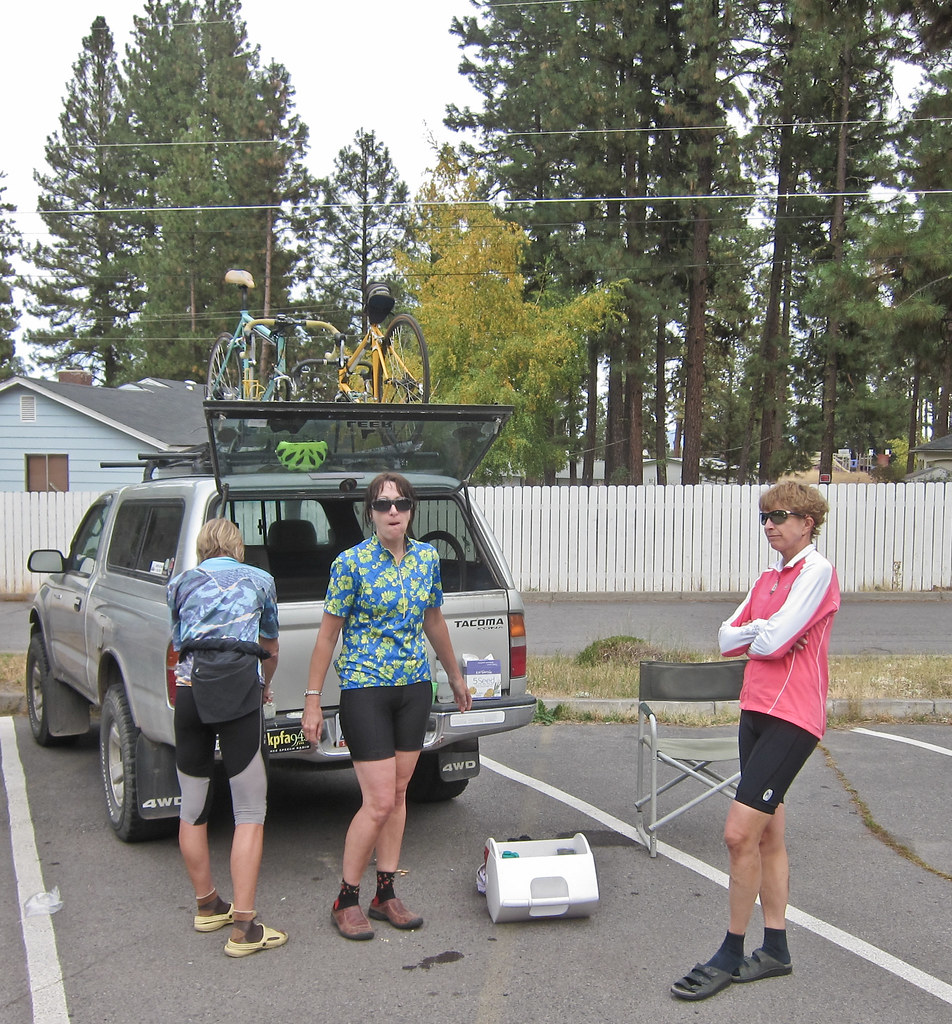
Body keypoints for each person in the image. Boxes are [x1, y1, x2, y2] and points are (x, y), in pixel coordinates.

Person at [671, 482, 840, 1001]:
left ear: (808, 521)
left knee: (738, 835)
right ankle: (777, 950)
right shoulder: (768, 578)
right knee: (768, 837)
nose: (769, 524)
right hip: (755, 710)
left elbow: (769, 640)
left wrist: (762, 632)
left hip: (793, 717)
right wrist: (765, 632)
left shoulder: (818, 571)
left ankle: (730, 950)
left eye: (780, 515)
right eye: (763, 516)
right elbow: (728, 638)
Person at [301, 471, 471, 941]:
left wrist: (453, 676)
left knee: (398, 796)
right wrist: (313, 701)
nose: (392, 511)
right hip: (365, 690)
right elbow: (326, 636)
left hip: (414, 688)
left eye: (400, 503)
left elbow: (433, 620)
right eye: (382, 505)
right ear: (370, 513)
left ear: (412, 509)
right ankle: (345, 898)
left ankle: (385, 893)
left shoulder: (426, 559)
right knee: (376, 802)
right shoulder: (350, 564)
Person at [167, 518, 287, 958]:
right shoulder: (260, 581)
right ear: (237, 546)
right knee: (250, 810)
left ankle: (207, 905)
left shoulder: (179, 584)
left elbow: (179, 641)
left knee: (193, 804)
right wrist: (265, 683)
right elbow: (270, 646)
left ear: (202, 547)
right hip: (238, 692)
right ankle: (245, 928)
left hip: (189, 693)